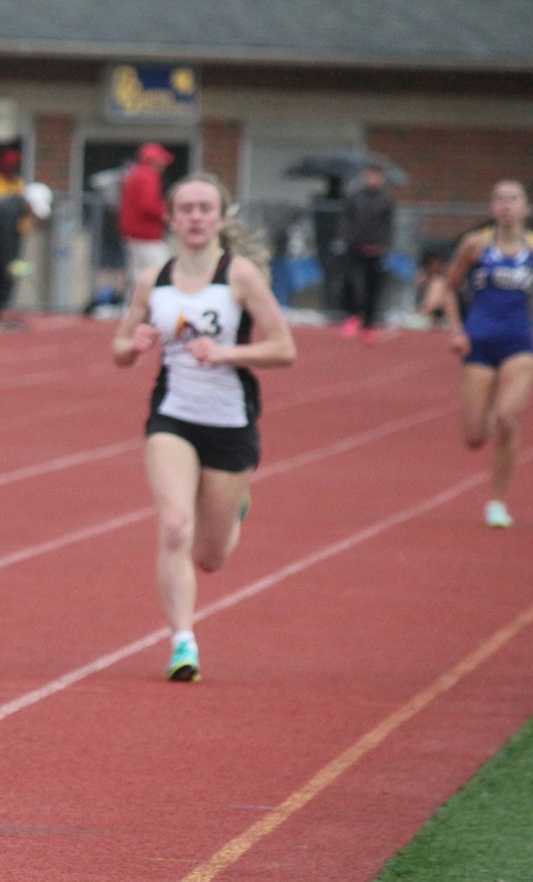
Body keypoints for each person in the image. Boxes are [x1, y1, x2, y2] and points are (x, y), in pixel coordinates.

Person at [111, 173, 296, 681]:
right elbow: (120, 349)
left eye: (204, 208)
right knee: (174, 524)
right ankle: (182, 642)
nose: (194, 217)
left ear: (220, 217)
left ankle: (236, 504)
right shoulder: (154, 280)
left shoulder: (240, 276)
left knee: (211, 556)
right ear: (170, 217)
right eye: (185, 208)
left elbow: (284, 348)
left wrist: (226, 352)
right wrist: (136, 343)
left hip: (230, 421)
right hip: (172, 415)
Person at [435, 179, 533, 530]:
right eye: (499, 199)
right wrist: (455, 329)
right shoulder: (475, 246)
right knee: (473, 438)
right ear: (491, 208)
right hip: (479, 343)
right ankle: (484, 405)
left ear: (527, 208)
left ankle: (497, 501)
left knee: (507, 420)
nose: (506, 206)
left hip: (518, 344)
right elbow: (448, 286)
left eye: (514, 199)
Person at [0, 182, 52, 327]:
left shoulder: (16, 208)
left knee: (3, 277)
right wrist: (9, 262)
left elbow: (12, 239)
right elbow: (5, 238)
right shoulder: (11, 210)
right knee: (1, 277)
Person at [336, 162, 397, 340]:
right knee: (351, 283)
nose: (373, 179)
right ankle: (353, 315)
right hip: (355, 247)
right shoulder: (355, 197)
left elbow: (388, 226)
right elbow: (345, 220)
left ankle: (369, 324)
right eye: (370, 175)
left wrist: (382, 245)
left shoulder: (386, 200)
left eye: (377, 176)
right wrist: (346, 240)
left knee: (373, 287)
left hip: (376, 250)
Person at [118, 142, 175, 279]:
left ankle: (137, 300)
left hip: (132, 233)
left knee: (138, 274)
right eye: (161, 160)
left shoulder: (134, 173)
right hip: (146, 234)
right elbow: (148, 205)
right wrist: (167, 213)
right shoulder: (148, 175)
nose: (164, 164)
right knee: (162, 272)